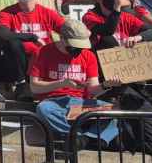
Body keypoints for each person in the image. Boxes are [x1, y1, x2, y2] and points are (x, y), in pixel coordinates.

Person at [28, 19, 119, 147]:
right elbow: (34, 87)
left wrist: (106, 85)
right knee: (43, 109)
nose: (78, 50)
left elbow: (93, 90)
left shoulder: (88, 56)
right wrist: (62, 83)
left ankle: (86, 139)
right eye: (75, 46)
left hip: (81, 103)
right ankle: (77, 136)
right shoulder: (43, 52)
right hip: (54, 102)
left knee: (115, 111)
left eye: (81, 47)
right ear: (62, 38)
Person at [0, 0, 65, 94]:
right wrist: (31, 37)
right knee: (12, 42)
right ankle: (21, 83)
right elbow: (3, 34)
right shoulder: (7, 13)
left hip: (43, 59)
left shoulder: (47, 13)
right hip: (20, 60)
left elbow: (66, 30)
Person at [80, 0, 152, 51]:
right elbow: (108, 31)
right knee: (108, 40)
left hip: (124, 61)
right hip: (102, 59)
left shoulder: (125, 17)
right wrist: (117, 7)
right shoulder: (89, 17)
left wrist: (138, 37)